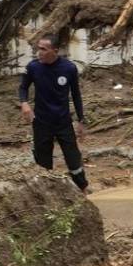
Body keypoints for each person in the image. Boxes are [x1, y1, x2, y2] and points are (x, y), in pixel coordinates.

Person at [19, 35, 88, 192]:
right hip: (42, 121)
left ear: (55, 51)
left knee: (73, 159)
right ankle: (47, 194)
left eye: (43, 49)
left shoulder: (69, 68)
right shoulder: (33, 67)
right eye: (38, 48)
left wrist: (81, 120)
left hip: (63, 121)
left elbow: (76, 95)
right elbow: (23, 88)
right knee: (43, 162)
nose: (39, 52)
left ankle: (82, 189)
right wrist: (24, 103)